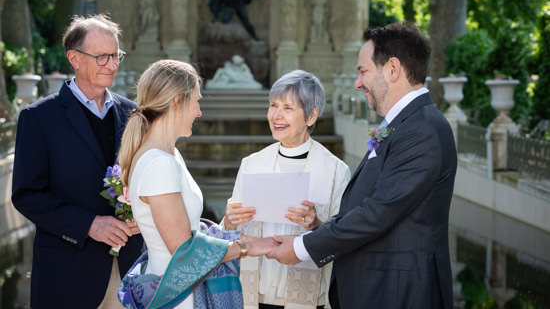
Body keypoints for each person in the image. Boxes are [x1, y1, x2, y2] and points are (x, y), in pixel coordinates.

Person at [267, 23, 457, 309]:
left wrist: (302, 247)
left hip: (400, 293)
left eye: (363, 71)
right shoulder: (398, 125)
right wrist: (319, 227)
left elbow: (379, 212)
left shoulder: (422, 130)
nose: (358, 82)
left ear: (392, 69)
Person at [116, 60, 275, 308]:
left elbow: (188, 229)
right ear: (178, 101)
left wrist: (228, 227)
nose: (199, 112)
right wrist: (248, 247)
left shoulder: (167, 155)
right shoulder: (159, 163)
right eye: (197, 101)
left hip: (180, 285)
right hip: (177, 295)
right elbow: (184, 249)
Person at [11, 14, 143, 308]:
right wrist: (88, 225)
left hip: (132, 272)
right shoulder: (39, 118)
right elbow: (26, 195)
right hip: (68, 274)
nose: (112, 64)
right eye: (102, 57)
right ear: (74, 58)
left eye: (116, 55)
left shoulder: (134, 114)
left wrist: (142, 215)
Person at [222, 70, 351, 309]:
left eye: (288, 108)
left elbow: (345, 240)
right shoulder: (252, 164)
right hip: (252, 296)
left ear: (311, 116)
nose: (276, 116)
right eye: (273, 105)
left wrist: (316, 225)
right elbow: (226, 233)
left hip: (308, 299)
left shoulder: (335, 171)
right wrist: (229, 222)